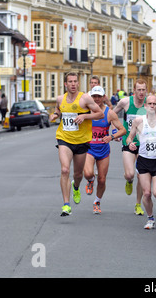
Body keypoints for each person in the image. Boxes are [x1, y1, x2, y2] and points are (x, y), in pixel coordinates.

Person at [50, 72, 104, 217]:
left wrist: (84, 116)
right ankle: (66, 205)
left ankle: (76, 186)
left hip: (81, 141)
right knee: (65, 170)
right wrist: (55, 115)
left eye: (75, 81)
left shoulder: (85, 98)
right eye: (70, 81)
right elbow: (58, 110)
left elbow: (100, 114)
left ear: (78, 84)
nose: (73, 84)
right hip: (64, 138)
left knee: (78, 174)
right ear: (65, 84)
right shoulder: (60, 99)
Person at [83, 86, 126, 214]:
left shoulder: (109, 113)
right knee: (88, 173)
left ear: (103, 97)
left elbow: (122, 130)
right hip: (89, 148)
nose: (96, 99)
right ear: (91, 97)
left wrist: (111, 137)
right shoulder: (86, 111)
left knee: (102, 179)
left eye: (99, 96)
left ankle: (97, 201)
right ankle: (90, 181)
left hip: (103, 150)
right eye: (94, 96)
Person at [126, 94, 156, 229]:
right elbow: (129, 137)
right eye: (149, 104)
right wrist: (131, 143)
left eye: (154, 104)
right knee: (147, 193)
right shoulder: (138, 121)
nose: (152, 106)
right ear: (145, 106)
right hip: (143, 160)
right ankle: (150, 218)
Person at [113, 79, 147, 215]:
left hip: (144, 144)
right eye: (138, 89)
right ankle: (128, 181)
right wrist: (116, 131)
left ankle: (138, 204)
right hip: (128, 141)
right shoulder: (125, 102)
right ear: (134, 90)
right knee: (130, 174)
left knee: (141, 175)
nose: (141, 92)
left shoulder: (150, 103)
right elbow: (111, 115)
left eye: (143, 89)